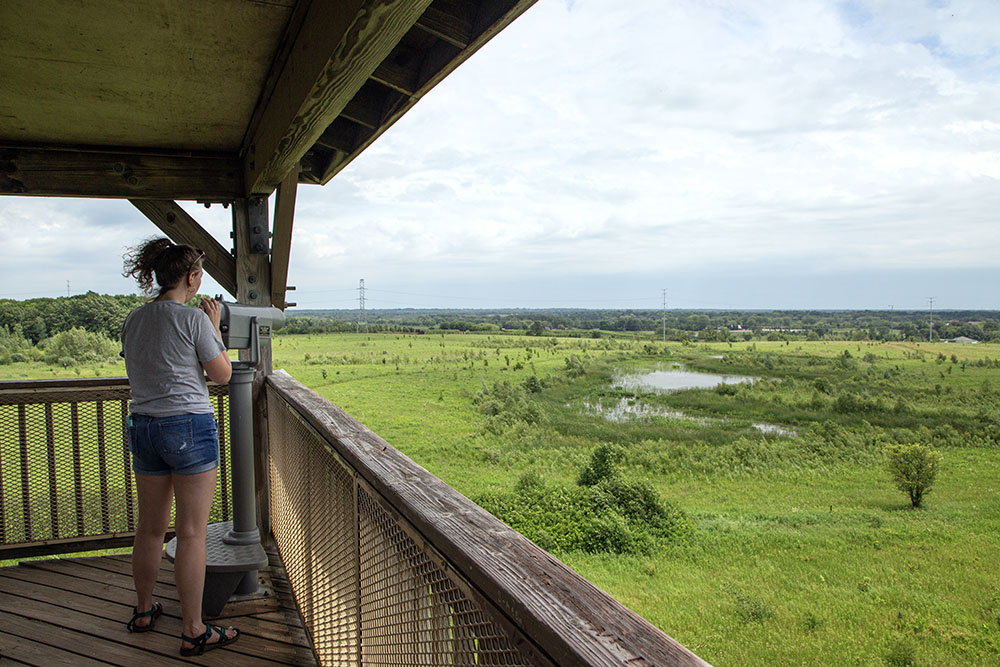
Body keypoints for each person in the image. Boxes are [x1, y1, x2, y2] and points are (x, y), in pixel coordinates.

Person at [120, 237, 240, 656]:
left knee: (150, 529)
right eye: (200, 273)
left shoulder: (134, 320)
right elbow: (222, 375)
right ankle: (193, 629)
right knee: (191, 533)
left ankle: (142, 610)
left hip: (144, 427)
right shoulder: (192, 321)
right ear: (191, 277)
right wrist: (211, 326)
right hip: (188, 425)